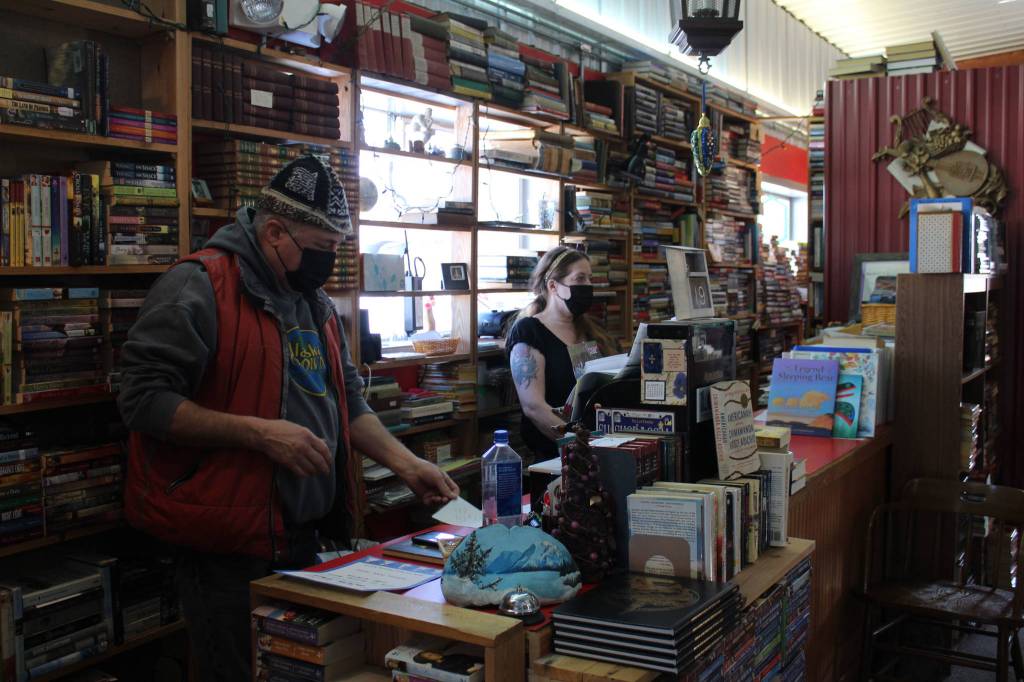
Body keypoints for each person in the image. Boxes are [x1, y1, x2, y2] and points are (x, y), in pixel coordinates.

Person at [117, 155, 459, 681]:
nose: (330, 263)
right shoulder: (199, 285)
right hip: (225, 544)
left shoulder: (313, 300)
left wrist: (408, 465)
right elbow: (142, 400)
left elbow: (347, 401)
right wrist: (260, 434)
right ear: (275, 230)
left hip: (305, 536)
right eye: (321, 249)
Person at [505, 246, 618, 459]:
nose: (588, 286)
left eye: (590, 279)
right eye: (580, 279)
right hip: (559, 454)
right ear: (553, 286)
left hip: (601, 443)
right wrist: (578, 442)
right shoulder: (529, 331)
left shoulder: (592, 330)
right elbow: (533, 406)